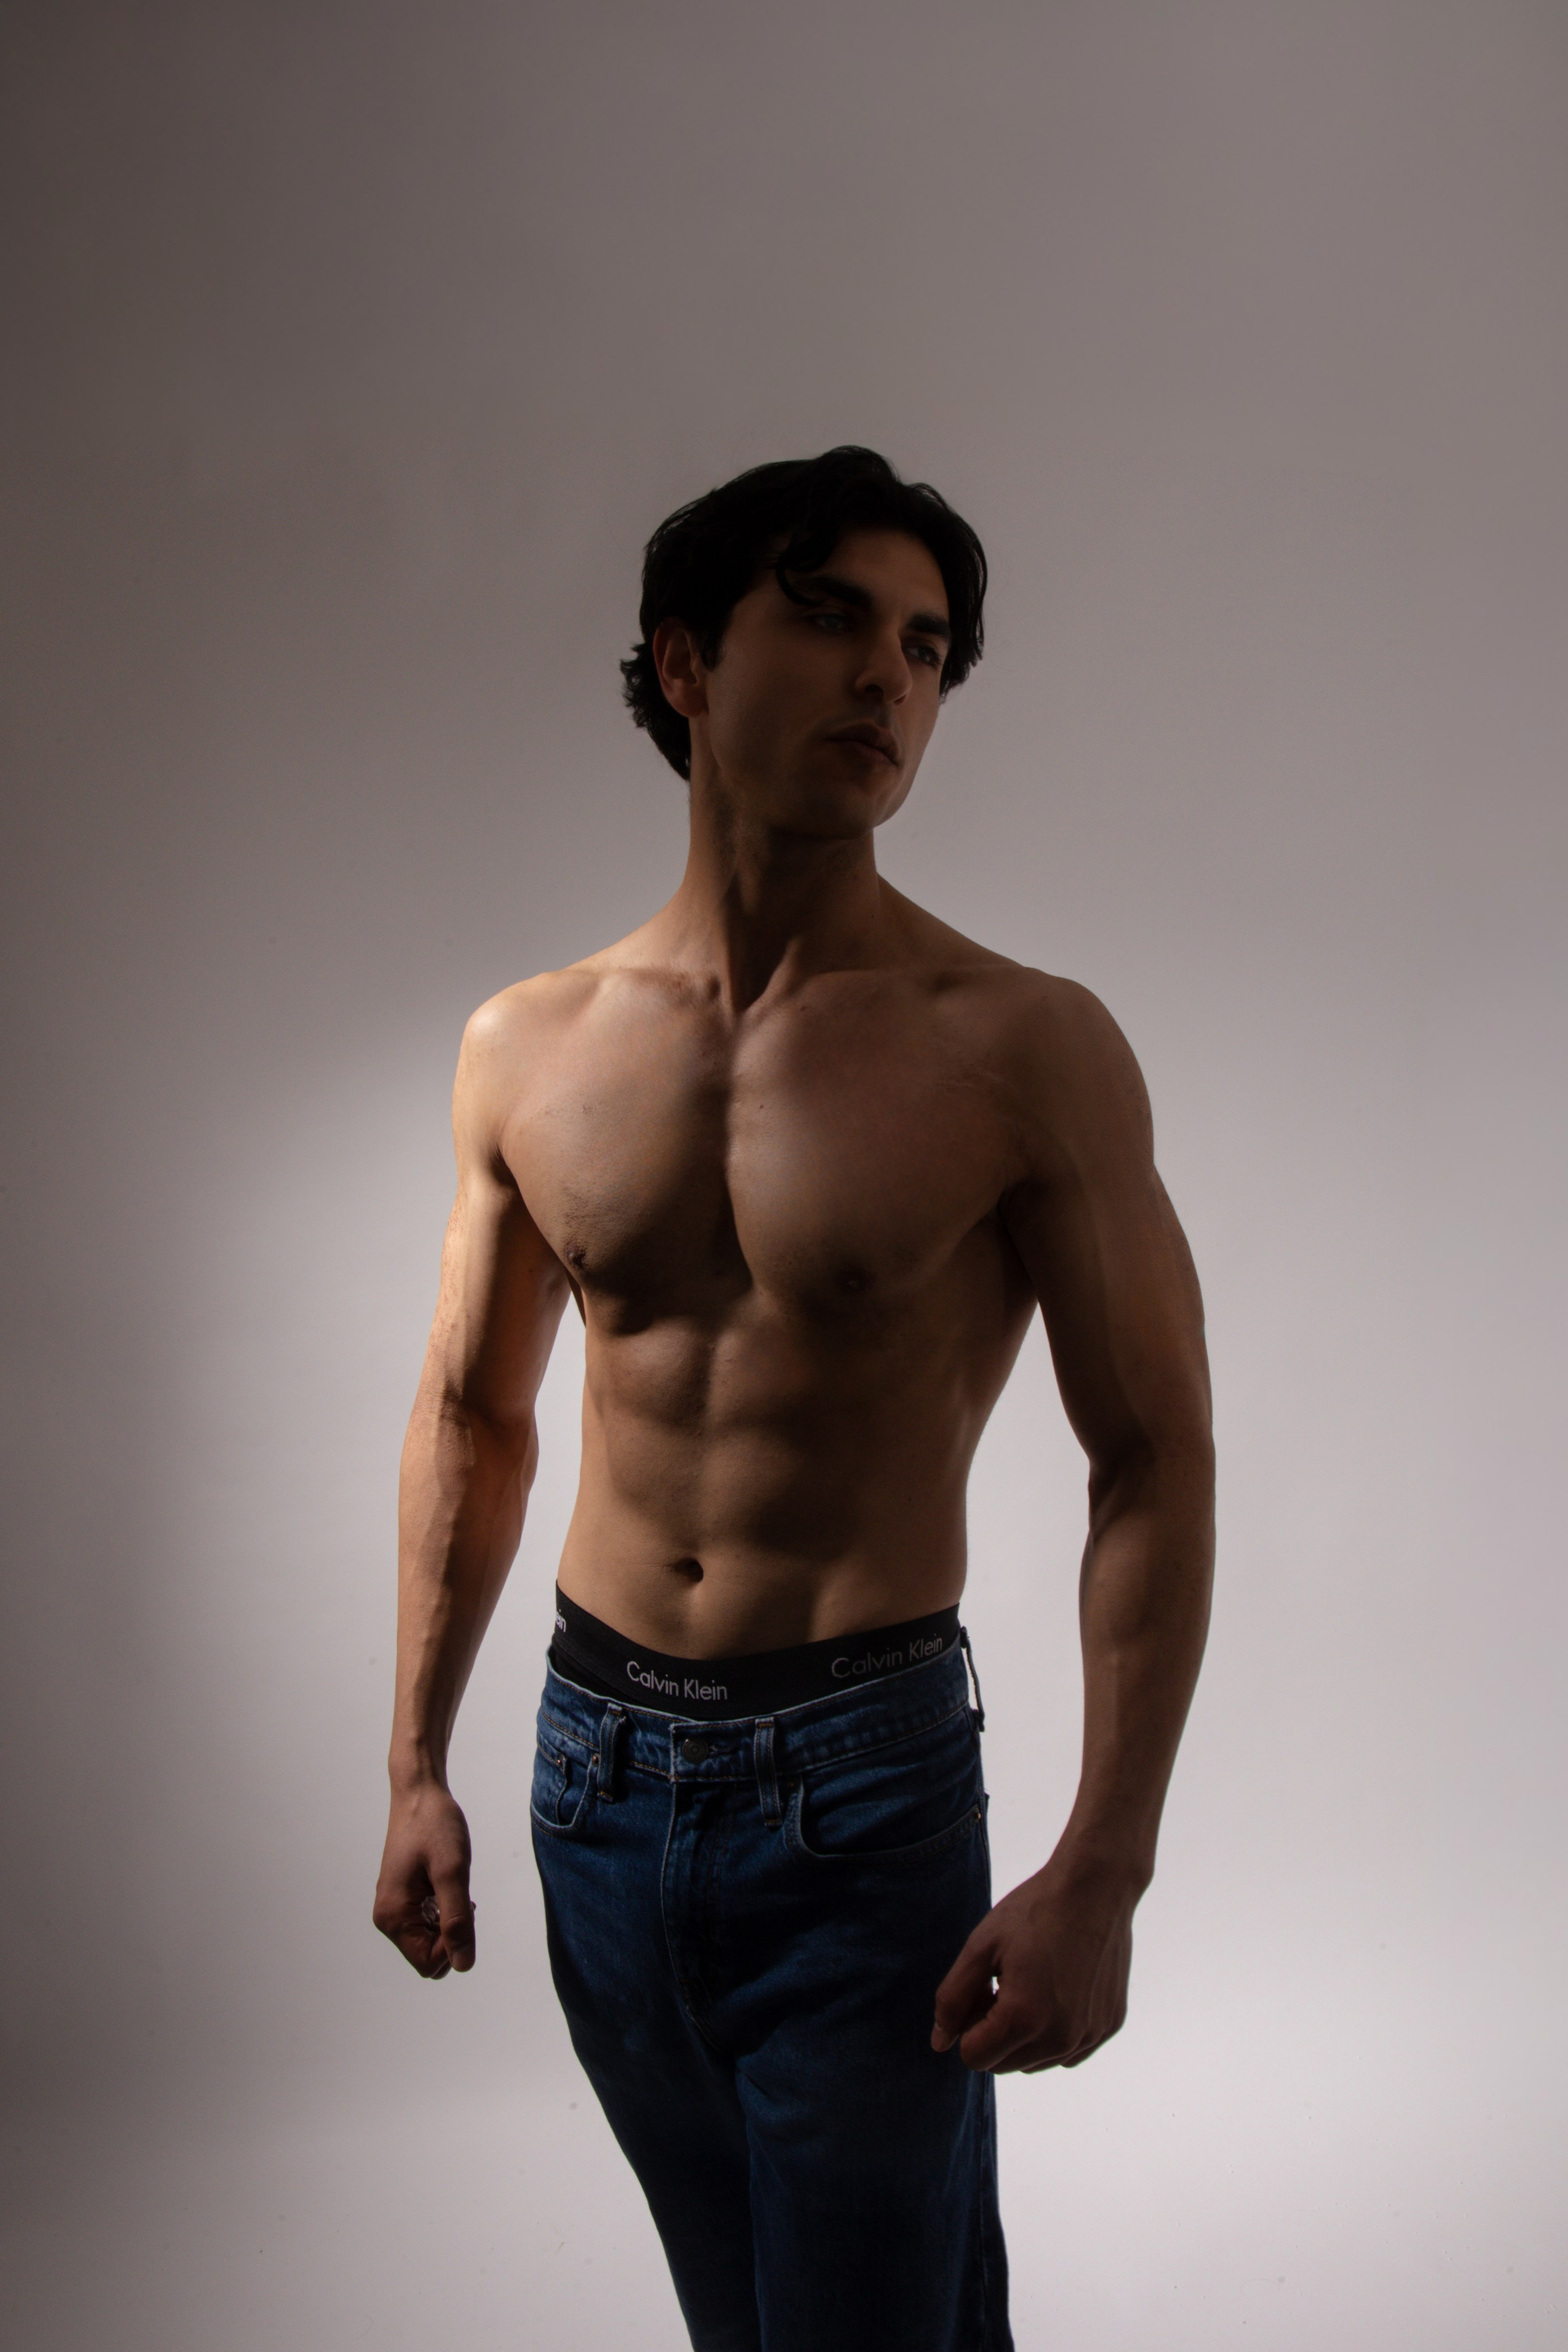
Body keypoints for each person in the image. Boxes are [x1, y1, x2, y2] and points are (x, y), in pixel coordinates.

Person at [372, 446, 1215, 2352]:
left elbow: (1154, 1460)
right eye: (830, 617)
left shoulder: (1024, 1048)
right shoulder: (529, 1046)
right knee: (746, 2315)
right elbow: (472, 1416)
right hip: (593, 1779)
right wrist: (416, 1762)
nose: (885, 678)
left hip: (860, 1789)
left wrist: (1104, 1869)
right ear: (682, 660)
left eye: (925, 646)